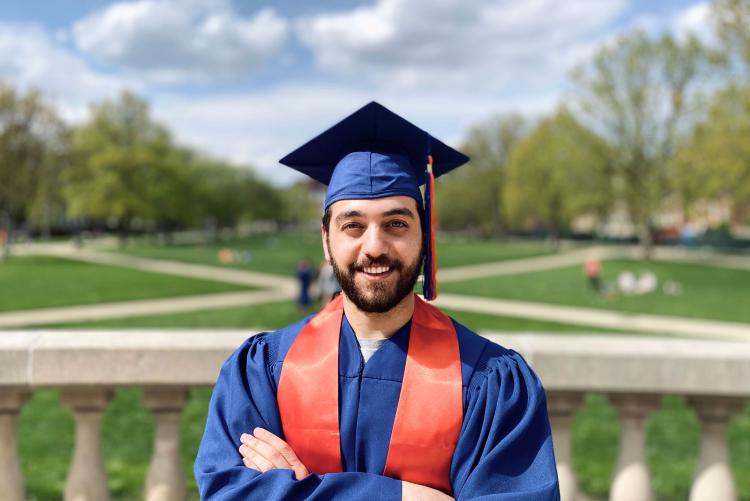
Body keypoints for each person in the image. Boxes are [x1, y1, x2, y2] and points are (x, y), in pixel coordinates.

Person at [195, 102, 560, 500]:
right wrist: (408, 497)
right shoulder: (262, 372)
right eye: (353, 225)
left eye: (396, 224)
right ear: (326, 239)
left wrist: (296, 492)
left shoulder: (491, 383)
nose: (375, 246)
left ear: (425, 234)